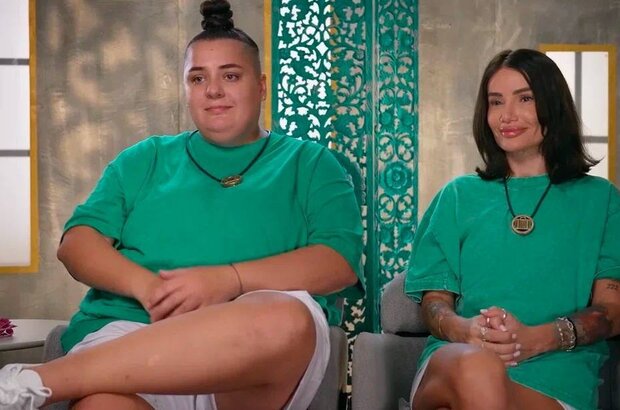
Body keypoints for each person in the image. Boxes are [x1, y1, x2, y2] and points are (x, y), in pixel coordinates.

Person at [0, 1, 363, 409]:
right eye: (197, 78)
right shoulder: (145, 158)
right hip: (127, 339)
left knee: (286, 318)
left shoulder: (311, 163)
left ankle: (32, 381)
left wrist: (228, 280)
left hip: (248, 363)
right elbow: (77, 244)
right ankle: (24, 389)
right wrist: (150, 289)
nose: (213, 90)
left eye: (230, 75)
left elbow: (338, 262)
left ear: (261, 86)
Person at [405, 48, 620, 410]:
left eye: (525, 99)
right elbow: (435, 302)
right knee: (478, 368)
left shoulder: (602, 200)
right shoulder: (457, 196)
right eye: (496, 102)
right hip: (457, 363)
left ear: (553, 105)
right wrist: (467, 331)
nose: (507, 115)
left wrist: (536, 338)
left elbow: (611, 312)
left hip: (556, 379)